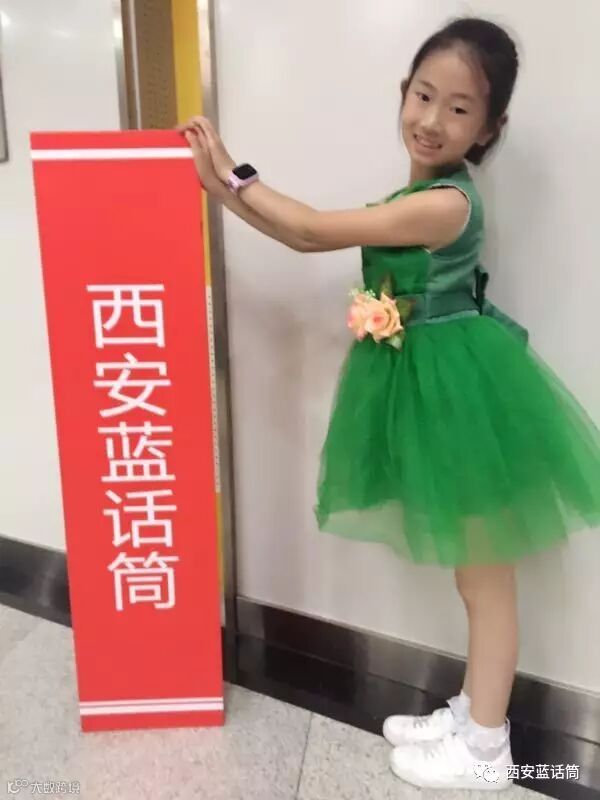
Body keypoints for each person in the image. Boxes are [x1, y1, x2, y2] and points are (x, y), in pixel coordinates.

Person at [180, 15, 600, 792]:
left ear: (489, 129)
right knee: (473, 574)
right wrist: (223, 192)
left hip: (463, 394)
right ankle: (474, 710)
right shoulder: (417, 193)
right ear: (403, 92)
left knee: (486, 577)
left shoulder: (444, 206)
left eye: (460, 108)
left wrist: (232, 173)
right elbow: (301, 232)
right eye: (424, 95)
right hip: (437, 386)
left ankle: (487, 747)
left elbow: (313, 231)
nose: (433, 119)